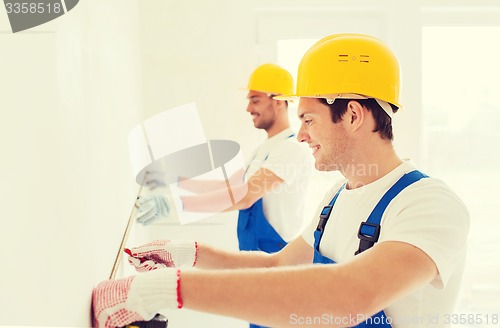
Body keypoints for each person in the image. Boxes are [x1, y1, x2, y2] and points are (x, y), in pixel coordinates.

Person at [92, 34, 469, 328]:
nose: (302, 135)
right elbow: (278, 267)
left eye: (309, 119)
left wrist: (166, 289)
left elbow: (353, 294)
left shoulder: (427, 203)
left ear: (353, 115)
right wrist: (190, 253)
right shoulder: (338, 195)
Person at [136, 63, 312, 257]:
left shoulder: (290, 149)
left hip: (277, 257)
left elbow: (244, 196)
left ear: (278, 101)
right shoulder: (264, 149)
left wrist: (173, 204)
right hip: (254, 255)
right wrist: (173, 184)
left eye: (255, 100)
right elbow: (229, 187)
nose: (248, 108)